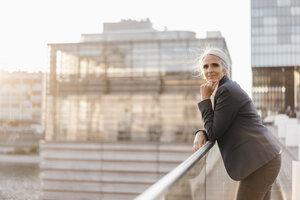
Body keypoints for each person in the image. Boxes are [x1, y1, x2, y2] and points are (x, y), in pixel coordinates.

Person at [193, 47, 281, 200]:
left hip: (260, 164)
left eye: (215, 65)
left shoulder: (225, 91)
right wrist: (202, 132)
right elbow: (223, 123)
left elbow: (215, 132)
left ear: (224, 69)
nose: (209, 70)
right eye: (205, 67)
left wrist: (205, 99)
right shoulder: (229, 88)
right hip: (265, 160)